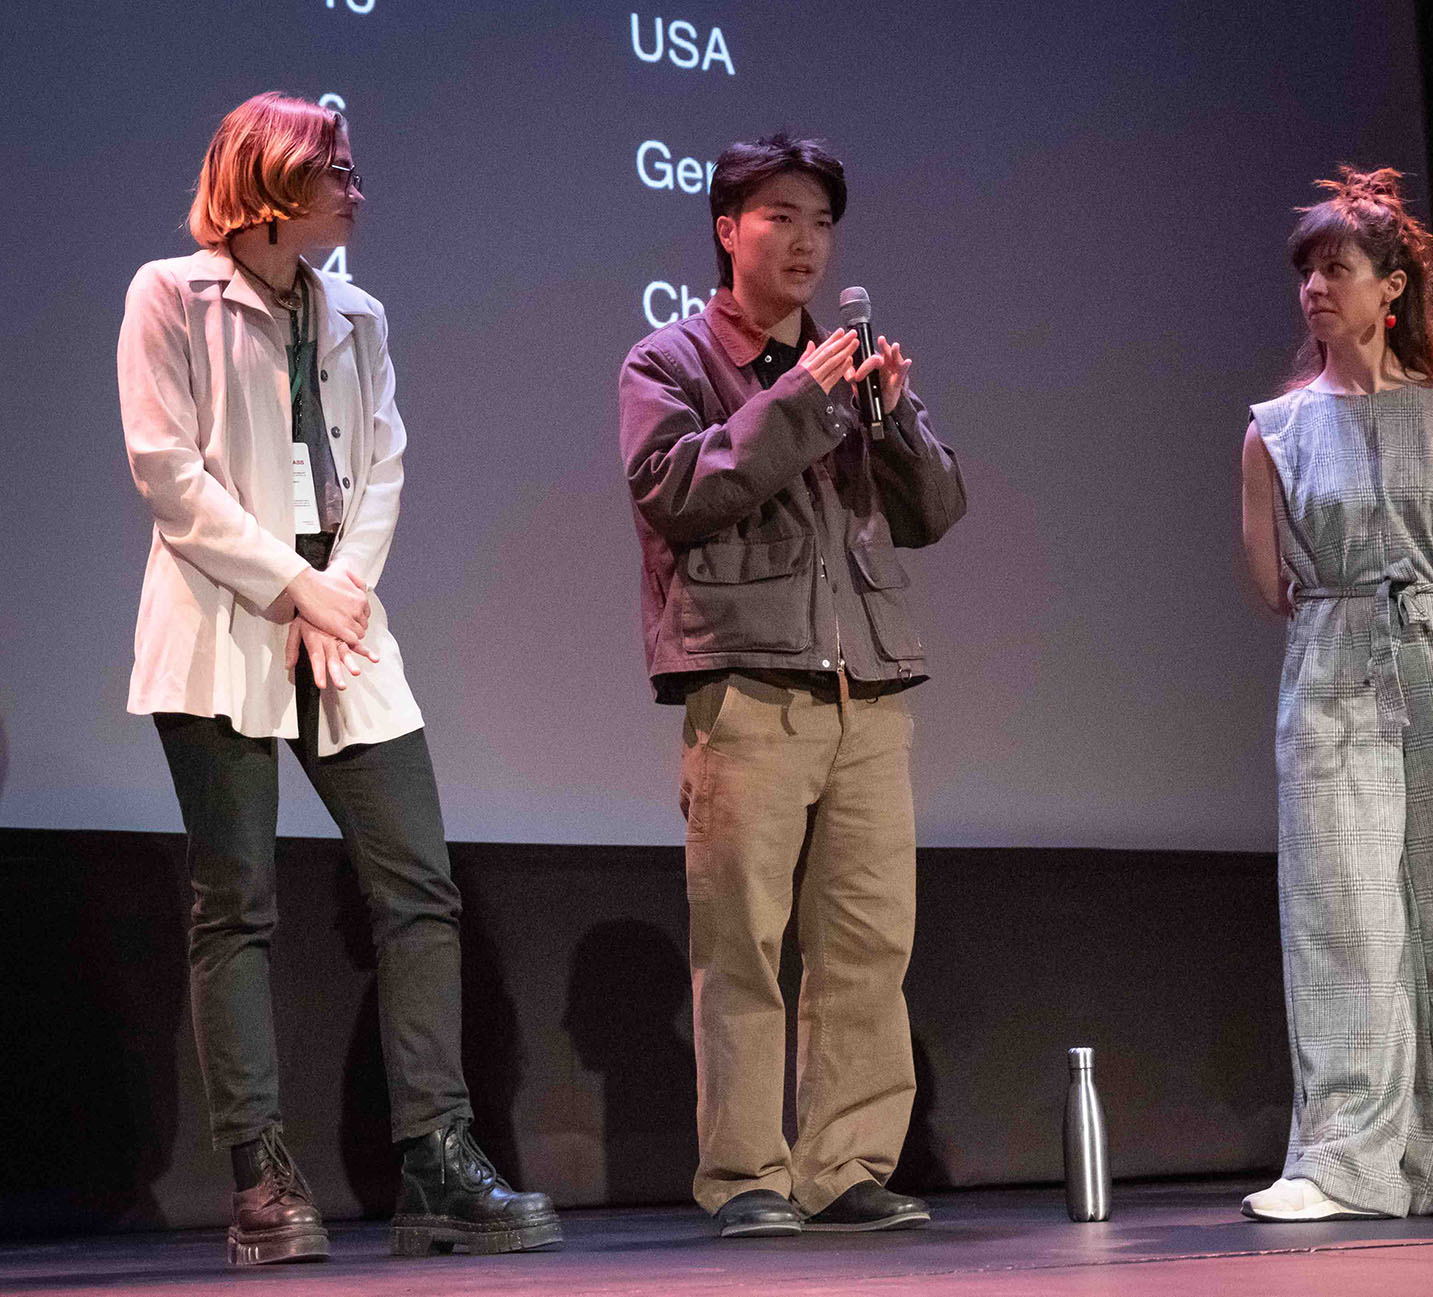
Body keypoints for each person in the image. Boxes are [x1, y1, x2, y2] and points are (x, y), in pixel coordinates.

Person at [118, 92, 559, 1264]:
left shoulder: (357, 310)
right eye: (339, 171)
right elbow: (169, 472)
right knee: (237, 902)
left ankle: (438, 1161)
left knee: (418, 885)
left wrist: (343, 590)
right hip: (224, 616)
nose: (359, 189)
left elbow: (387, 461)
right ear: (269, 183)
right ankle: (262, 1175)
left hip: (341, 618)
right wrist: (294, 587)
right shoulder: (170, 294)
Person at [617, 133, 967, 1237]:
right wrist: (801, 402)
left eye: (821, 220)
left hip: (867, 685)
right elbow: (676, 490)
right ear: (727, 229)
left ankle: (844, 1163)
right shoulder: (668, 360)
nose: (805, 239)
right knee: (744, 944)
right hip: (748, 687)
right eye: (780, 215)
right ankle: (747, 1176)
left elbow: (937, 514)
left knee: (867, 943)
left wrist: (893, 414)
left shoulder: (848, 362)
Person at [1239, 167, 1433, 1222]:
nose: (1315, 286)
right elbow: (1274, 584)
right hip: (1334, 660)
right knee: (1342, 913)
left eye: (1337, 268)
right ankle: (1341, 1163)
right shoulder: (1274, 428)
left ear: (1392, 288)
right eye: (1307, 270)